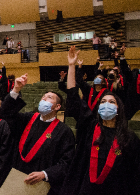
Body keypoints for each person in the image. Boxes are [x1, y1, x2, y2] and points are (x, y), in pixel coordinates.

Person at [60, 46, 140, 194]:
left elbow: (135, 173)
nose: (106, 105)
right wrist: (72, 65)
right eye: (103, 102)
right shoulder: (90, 126)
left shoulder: (129, 137)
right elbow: (72, 94)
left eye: (111, 102)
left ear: (118, 109)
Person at [0, 73, 76, 195]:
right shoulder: (27, 119)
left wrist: (45, 174)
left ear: (57, 106)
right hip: (17, 178)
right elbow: (6, 114)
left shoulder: (64, 131)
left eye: (49, 97)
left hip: (43, 186)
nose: (44, 99)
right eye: (43, 97)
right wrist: (16, 89)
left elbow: (67, 162)